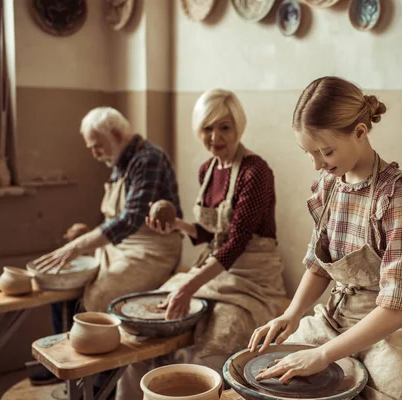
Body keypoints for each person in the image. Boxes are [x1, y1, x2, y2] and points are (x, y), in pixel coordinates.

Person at [248, 77, 402, 400]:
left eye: (326, 151)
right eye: (308, 153)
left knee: (394, 391)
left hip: (390, 330)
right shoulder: (329, 186)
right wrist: (291, 314)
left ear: (360, 132)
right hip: (336, 319)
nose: (318, 163)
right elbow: (318, 266)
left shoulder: (397, 196)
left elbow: (400, 306)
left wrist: (323, 355)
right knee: (268, 375)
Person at [116, 89, 287, 399]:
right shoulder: (207, 170)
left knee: (215, 346)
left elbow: (235, 243)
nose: (215, 137)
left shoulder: (255, 171)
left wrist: (188, 287)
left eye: (224, 127)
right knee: (149, 325)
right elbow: (214, 234)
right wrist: (178, 226)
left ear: (238, 127)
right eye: (207, 128)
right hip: (215, 272)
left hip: (252, 281)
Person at [30, 107, 183, 385]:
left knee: (100, 294)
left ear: (116, 134)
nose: (94, 152)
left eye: (97, 145)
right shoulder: (119, 159)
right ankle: (62, 361)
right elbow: (112, 218)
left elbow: (130, 219)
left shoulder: (148, 159)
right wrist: (84, 236)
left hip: (152, 248)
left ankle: (100, 377)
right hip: (121, 245)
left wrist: (78, 246)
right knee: (63, 277)